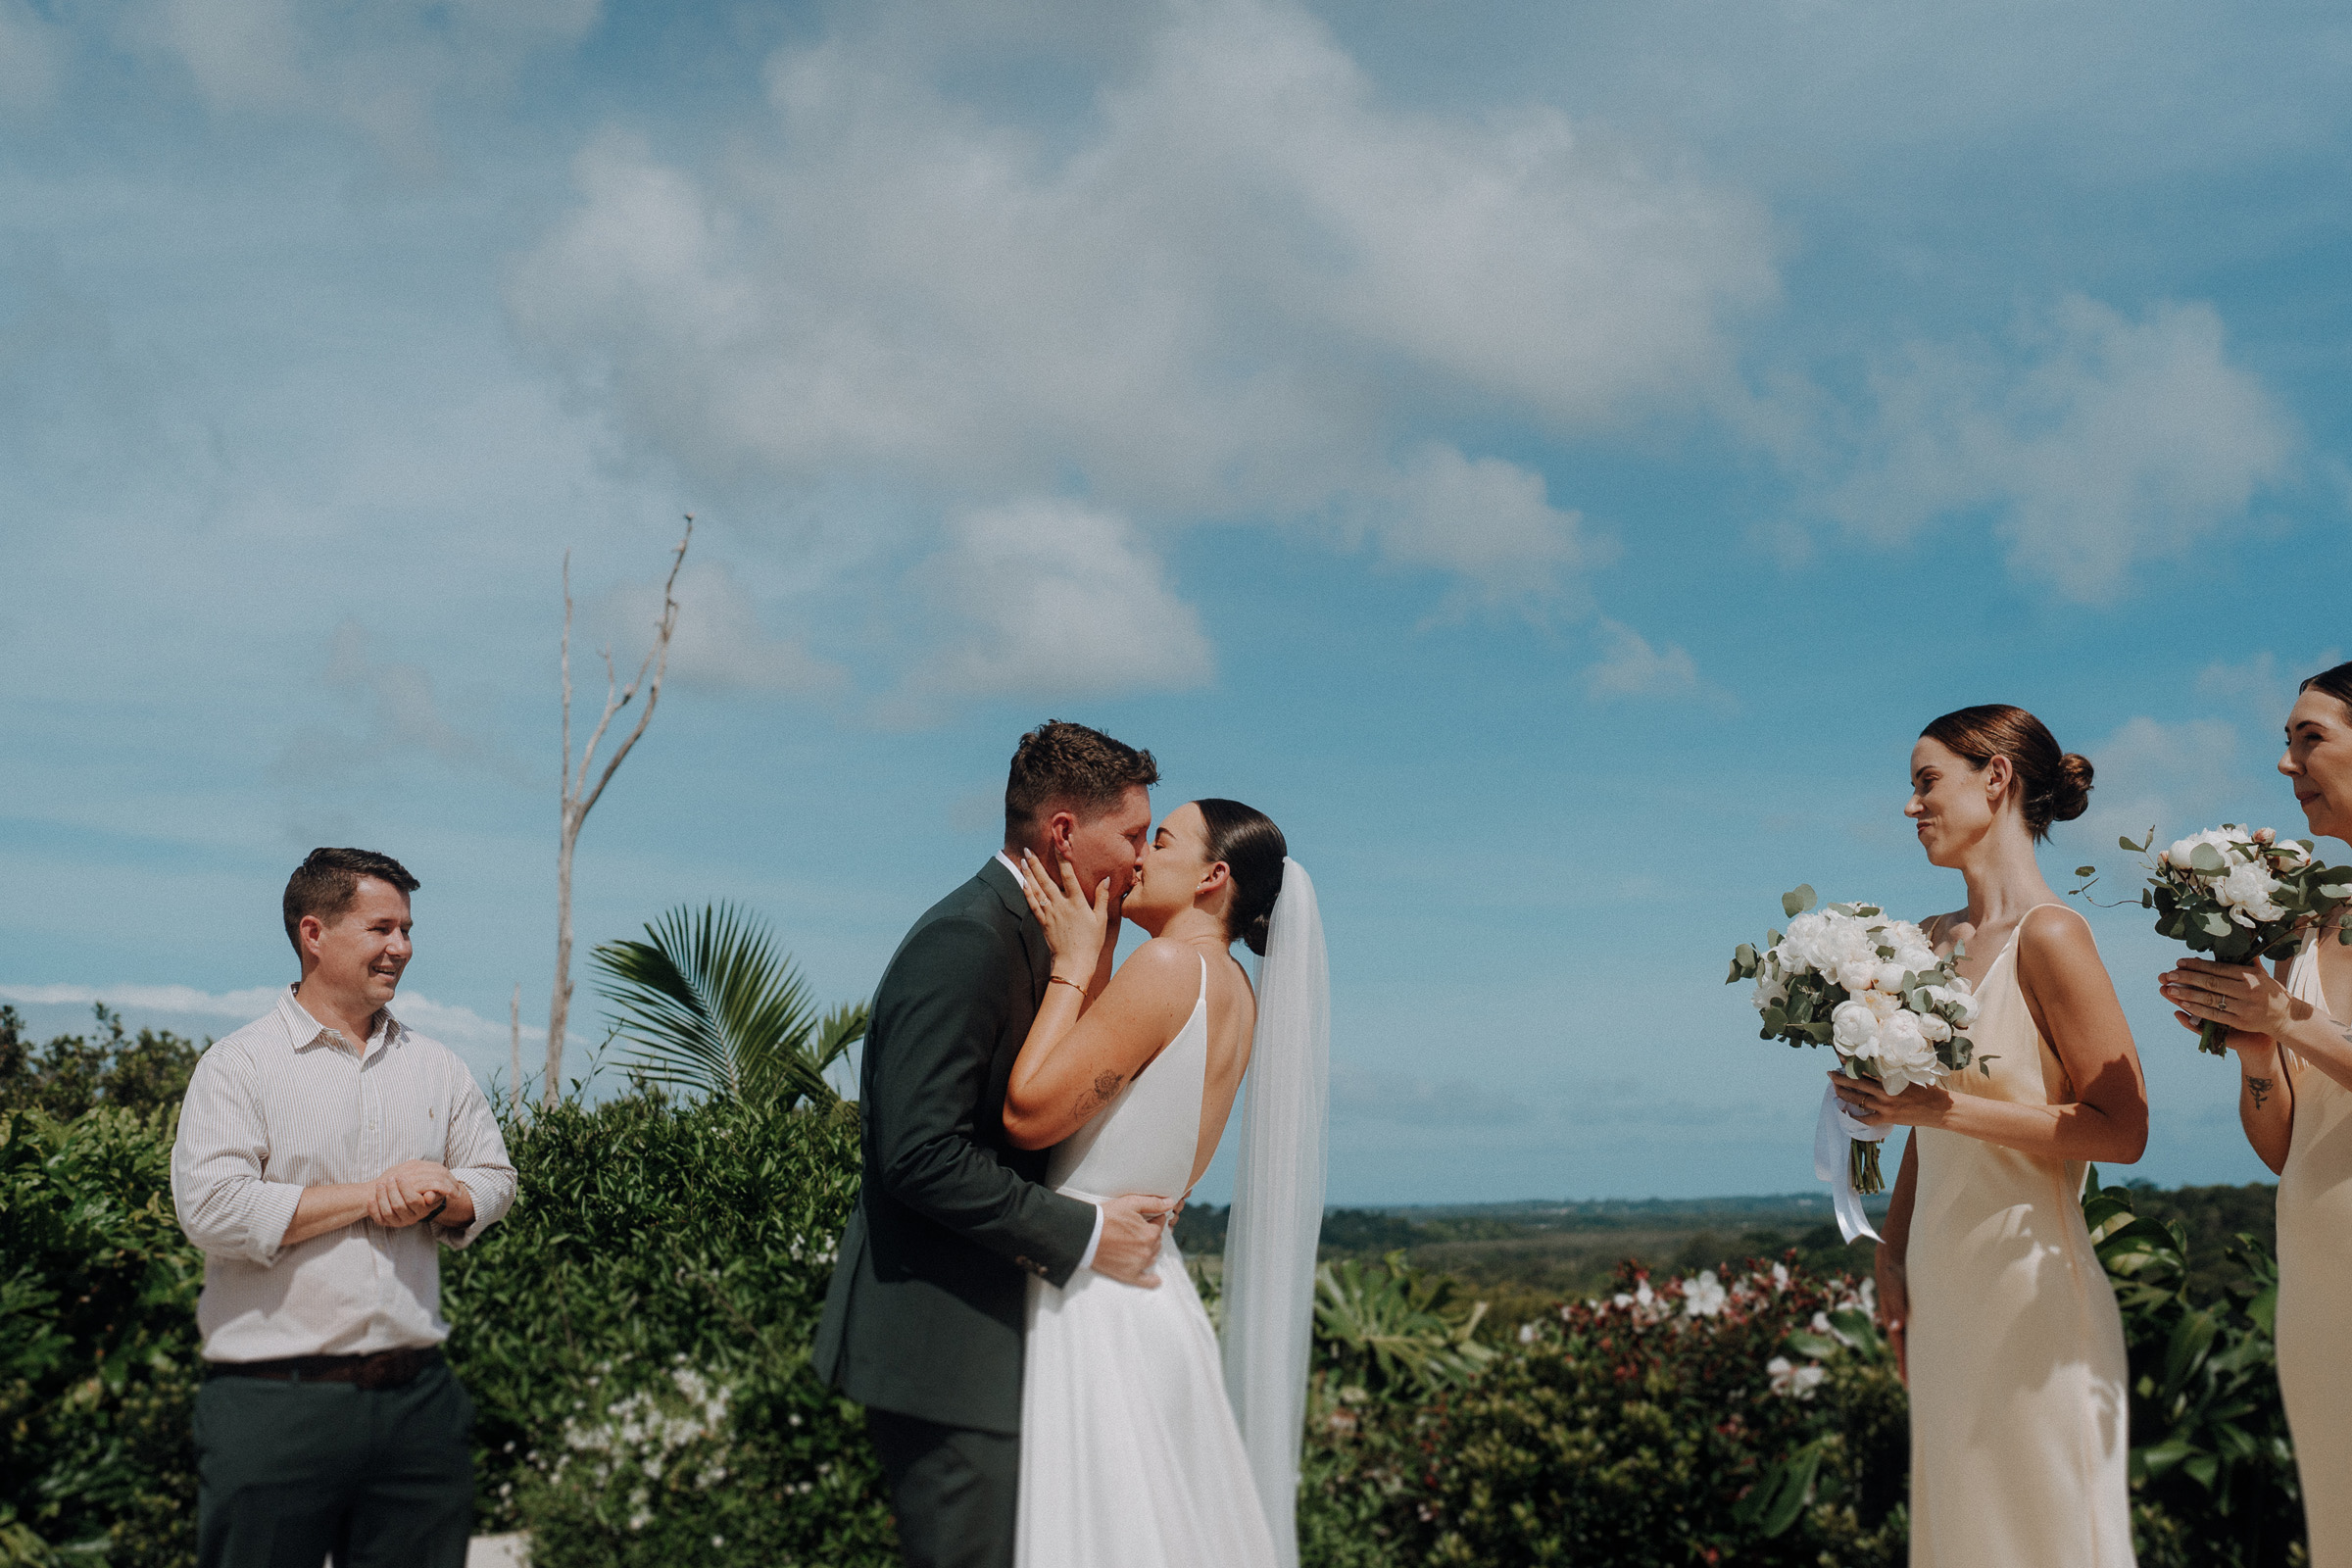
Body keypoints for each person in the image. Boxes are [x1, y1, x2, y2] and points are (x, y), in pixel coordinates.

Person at [812, 721, 1177, 1568]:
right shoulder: (968, 940)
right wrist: (1085, 1235)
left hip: (1010, 1342)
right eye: (1128, 836)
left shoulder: (1054, 938)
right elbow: (918, 1153)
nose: (1138, 860)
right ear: (1061, 832)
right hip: (946, 1352)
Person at [1833, 705, 2146, 1568]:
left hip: (2033, 1297)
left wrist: (1943, 1111)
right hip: (1941, 1294)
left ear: (1996, 778)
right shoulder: (1928, 943)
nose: (1911, 806)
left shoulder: (2052, 936)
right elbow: (1920, 1134)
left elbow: (2123, 1131)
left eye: (1926, 781)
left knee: (2052, 1535)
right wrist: (1890, 1253)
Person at [171, 847, 516, 1568]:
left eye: (408, 930)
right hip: (273, 1409)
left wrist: (449, 1199)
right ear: (314, 933)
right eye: (382, 928)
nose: (403, 948)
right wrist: (372, 1196)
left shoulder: (438, 1066)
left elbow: (494, 1178)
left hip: (420, 1407)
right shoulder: (239, 1065)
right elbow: (212, 1210)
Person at [1004, 798, 1326, 1568]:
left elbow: (1028, 1112)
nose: (1139, 855)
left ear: (1213, 877)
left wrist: (1073, 968)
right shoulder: (1235, 990)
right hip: (1157, 1291)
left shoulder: (1172, 967)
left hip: (1096, 1295)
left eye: (1163, 841)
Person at [2158, 660, 2352, 1568]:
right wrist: (2256, 1053)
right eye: (2285, 741)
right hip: (2318, 1267)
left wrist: (2287, 1018)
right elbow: (2285, 1146)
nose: (2286, 763)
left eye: (2309, 737)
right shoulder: (2318, 923)